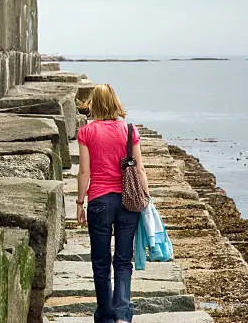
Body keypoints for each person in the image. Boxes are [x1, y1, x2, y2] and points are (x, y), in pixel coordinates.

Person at [76, 84, 149, 323]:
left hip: (99, 202)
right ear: (115, 102)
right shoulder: (129, 130)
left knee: (100, 262)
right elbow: (139, 169)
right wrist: (145, 197)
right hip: (128, 201)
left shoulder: (87, 132)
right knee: (123, 260)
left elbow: (84, 173)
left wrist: (79, 203)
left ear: (93, 104)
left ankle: (106, 316)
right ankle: (122, 315)